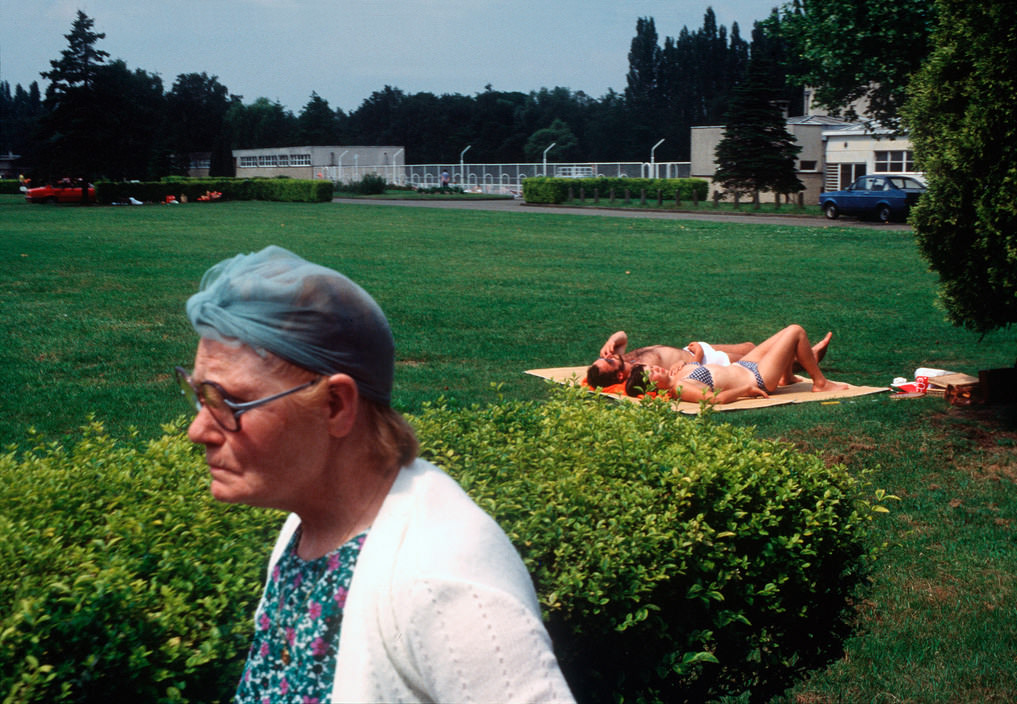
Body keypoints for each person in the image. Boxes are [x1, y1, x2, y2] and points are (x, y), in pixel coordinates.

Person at [177, 245, 574, 703]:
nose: (197, 430)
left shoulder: (444, 576)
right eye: (200, 396)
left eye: (231, 403)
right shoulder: (310, 525)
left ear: (335, 405)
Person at [626, 324, 846, 404]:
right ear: (652, 389)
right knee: (795, 331)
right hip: (757, 378)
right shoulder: (680, 388)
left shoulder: (676, 374)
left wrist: (698, 353)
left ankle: (787, 377)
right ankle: (820, 382)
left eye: (651, 367)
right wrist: (746, 390)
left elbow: (696, 365)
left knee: (781, 338)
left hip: (744, 366)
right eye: (651, 374)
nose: (655, 368)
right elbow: (715, 399)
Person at [586, 329, 830, 389]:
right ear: (619, 374)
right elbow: (675, 379)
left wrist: (612, 338)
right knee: (761, 355)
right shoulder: (642, 373)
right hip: (705, 363)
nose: (607, 356)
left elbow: (623, 336)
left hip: (697, 350)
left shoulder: (624, 358)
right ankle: (805, 358)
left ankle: (799, 360)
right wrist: (695, 358)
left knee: (750, 346)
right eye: (606, 361)